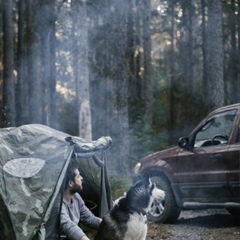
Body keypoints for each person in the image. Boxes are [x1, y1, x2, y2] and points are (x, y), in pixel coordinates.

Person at [60, 161, 102, 240]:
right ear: (71, 183)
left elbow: (89, 219)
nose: (82, 178)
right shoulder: (57, 203)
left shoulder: (76, 197)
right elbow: (68, 226)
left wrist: (110, 224)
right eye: (78, 176)